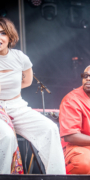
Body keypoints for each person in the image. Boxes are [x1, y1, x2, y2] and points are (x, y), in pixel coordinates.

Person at [0, 17, 65, 174]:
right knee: (6, 137)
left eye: (2, 33)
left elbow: (27, 82)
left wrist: (10, 93)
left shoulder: (20, 57)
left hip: (17, 106)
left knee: (50, 128)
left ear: (10, 37)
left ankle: (56, 177)